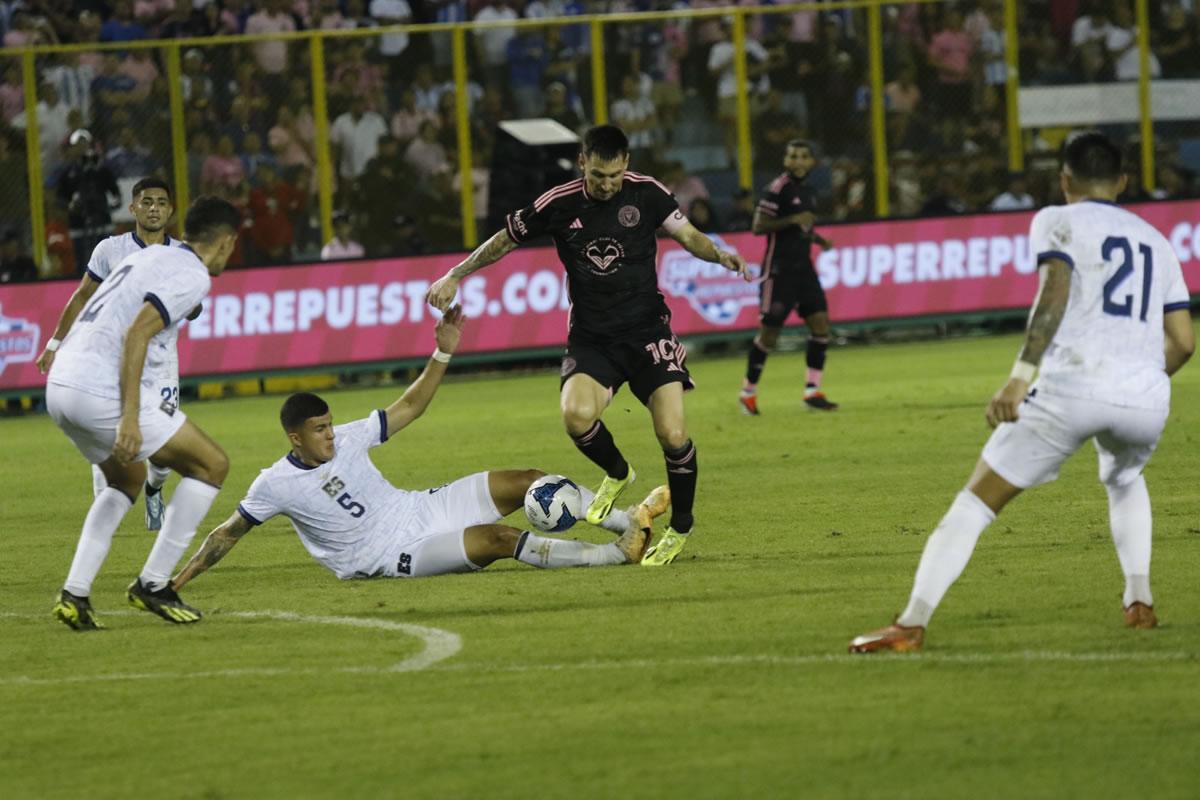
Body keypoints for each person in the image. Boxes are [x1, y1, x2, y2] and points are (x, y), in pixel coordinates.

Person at [850, 132, 1195, 653]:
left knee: (975, 503)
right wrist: (1138, 381)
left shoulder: (1055, 219)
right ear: (1123, 181)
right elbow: (1185, 343)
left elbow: (1054, 290)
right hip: (1145, 397)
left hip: (1072, 386)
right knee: (1125, 477)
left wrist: (1020, 375)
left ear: (1064, 179)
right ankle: (1139, 600)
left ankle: (912, 622)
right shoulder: (1158, 240)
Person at [426, 125, 749, 567]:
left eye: (615, 175)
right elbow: (503, 240)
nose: (607, 184)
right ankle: (618, 473)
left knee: (673, 434)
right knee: (575, 415)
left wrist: (718, 254)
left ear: (626, 165)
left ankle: (680, 527)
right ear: (582, 164)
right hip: (593, 337)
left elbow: (688, 235)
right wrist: (456, 274)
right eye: (598, 175)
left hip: (648, 332)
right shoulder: (558, 203)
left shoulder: (647, 194)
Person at [171, 309, 670, 587]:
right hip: (391, 553)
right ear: (294, 438)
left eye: (329, 425)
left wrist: (443, 349)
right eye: (319, 430)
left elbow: (409, 407)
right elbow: (227, 533)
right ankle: (613, 556)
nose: (330, 435)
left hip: (418, 508)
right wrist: (176, 580)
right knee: (497, 541)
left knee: (528, 480)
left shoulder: (347, 436)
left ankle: (628, 522)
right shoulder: (273, 483)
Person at [45, 196, 243, 631]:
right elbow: (137, 333)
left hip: (60, 386)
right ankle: (153, 584)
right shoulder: (193, 274)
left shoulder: (154, 255)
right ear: (227, 243)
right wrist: (130, 417)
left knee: (126, 479)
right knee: (211, 464)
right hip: (98, 390)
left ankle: (74, 593)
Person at [37, 177, 186, 531]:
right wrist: (54, 344)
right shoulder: (110, 250)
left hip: (159, 363)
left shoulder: (182, 254)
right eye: (146, 201)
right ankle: (103, 509)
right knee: (103, 433)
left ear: (171, 210)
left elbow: (192, 305)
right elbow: (83, 296)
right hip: (109, 361)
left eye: (161, 202)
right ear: (132, 207)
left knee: (164, 449)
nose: (154, 208)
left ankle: (154, 487)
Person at [739, 140, 837, 416]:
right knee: (770, 333)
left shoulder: (808, 191)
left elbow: (803, 227)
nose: (797, 160)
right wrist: (791, 220)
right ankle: (748, 392)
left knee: (820, 324)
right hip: (778, 271)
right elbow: (758, 226)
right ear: (786, 159)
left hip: (803, 269)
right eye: (792, 155)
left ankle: (812, 390)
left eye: (803, 156)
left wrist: (818, 240)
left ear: (811, 162)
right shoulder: (777, 188)